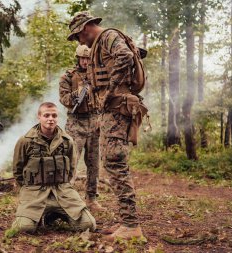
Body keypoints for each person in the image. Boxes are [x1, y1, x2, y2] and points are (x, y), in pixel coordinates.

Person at [67, 12, 145, 241]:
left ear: (85, 28)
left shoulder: (108, 36)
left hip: (117, 107)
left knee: (114, 160)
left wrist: (110, 90)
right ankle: (127, 222)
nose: (80, 42)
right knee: (111, 162)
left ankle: (131, 225)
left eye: (78, 36)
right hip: (111, 110)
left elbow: (126, 57)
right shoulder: (99, 44)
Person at [10, 102, 96, 233]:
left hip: (62, 192)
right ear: (39, 117)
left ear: (58, 117)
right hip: (35, 193)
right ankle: (38, 216)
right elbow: (17, 170)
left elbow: (72, 169)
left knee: (88, 225)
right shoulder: (25, 141)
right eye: (46, 115)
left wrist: (66, 187)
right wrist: (28, 189)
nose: (51, 119)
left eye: (54, 115)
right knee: (23, 228)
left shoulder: (67, 141)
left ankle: (58, 214)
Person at [59, 45, 105, 212]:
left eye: (88, 58)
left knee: (94, 163)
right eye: (83, 58)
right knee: (71, 161)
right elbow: (63, 99)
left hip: (94, 122)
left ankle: (91, 198)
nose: (85, 62)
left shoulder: (98, 75)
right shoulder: (68, 76)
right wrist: (76, 94)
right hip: (75, 123)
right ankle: (67, 199)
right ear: (78, 58)